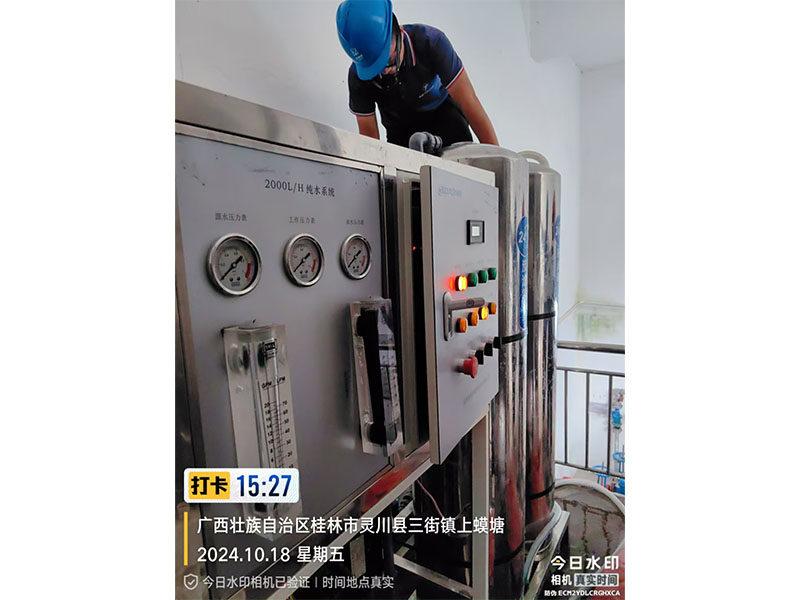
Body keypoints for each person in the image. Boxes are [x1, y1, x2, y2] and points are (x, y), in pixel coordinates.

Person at [336, 0, 499, 149]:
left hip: (443, 116)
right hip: (399, 130)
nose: (384, 71)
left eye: (388, 61)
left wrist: (497, 161)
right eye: (374, 68)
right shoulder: (358, 76)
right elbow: (369, 140)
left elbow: (469, 102)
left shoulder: (432, 43)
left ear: (400, 32)